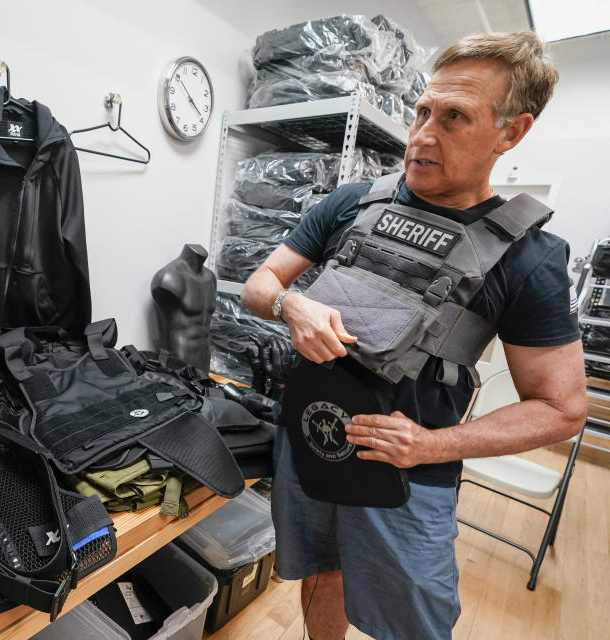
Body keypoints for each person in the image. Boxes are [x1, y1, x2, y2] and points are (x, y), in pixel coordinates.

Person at [240, 31, 587, 640]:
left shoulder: (528, 259)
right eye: (423, 110)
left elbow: (562, 409)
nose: (423, 135)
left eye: (455, 118)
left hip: (409, 477)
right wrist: (293, 306)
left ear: (512, 132)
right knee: (321, 573)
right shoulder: (352, 202)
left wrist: (431, 445)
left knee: (417, 622)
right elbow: (259, 284)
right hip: (312, 438)